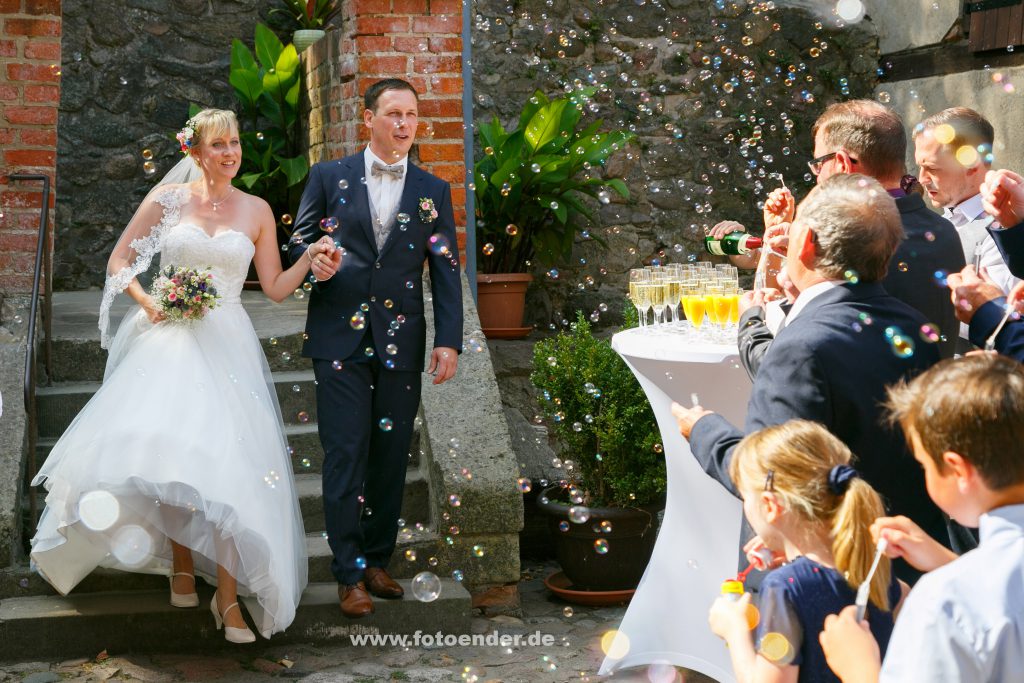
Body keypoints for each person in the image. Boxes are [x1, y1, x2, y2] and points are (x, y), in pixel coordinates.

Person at [31, 109, 318, 642]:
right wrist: (149, 299)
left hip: (227, 342)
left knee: (231, 467)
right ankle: (182, 564)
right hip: (167, 339)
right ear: (195, 152)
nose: (230, 153)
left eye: (234, 143)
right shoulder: (168, 202)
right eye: (218, 145)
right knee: (171, 456)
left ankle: (228, 600)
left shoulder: (256, 209)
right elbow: (120, 261)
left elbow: (275, 287)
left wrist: (313, 260)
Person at [672, 174, 956, 581]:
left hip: (816, 577)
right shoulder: (914, 326)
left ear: (805, 244)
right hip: (898, 562)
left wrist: (703, 430)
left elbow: (771, 481)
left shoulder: (798, 349)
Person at [289, 78, 463, 618]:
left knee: (390, 457)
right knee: (346, 453)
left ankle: (376, 559)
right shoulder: (328, 176)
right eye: (393, 113)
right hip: (339, 336)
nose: (404, 124)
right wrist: (315, 258)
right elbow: (298, 238)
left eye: (411, 115)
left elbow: (446, 272)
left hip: (401, 341)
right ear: (369, 118)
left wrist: (449, 341)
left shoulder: (433, 191)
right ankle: (347, 574)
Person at [819, 354, 1024, 682]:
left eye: (924, 464)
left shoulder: (945, 601)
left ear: (957, 469)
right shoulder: (962, 585)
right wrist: (949, 562)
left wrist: (859, 667)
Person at [732, 100, 965, 366]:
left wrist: (750, 322)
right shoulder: (943, 229)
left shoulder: (847, 241)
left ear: (842, 163)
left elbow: (786, 360)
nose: (818, 177)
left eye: (819, 164)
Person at [710, 420, 903, 683]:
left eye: (746, 498)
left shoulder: (784, 587)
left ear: (769, 505)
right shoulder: (873, 568)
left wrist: (735, 630)